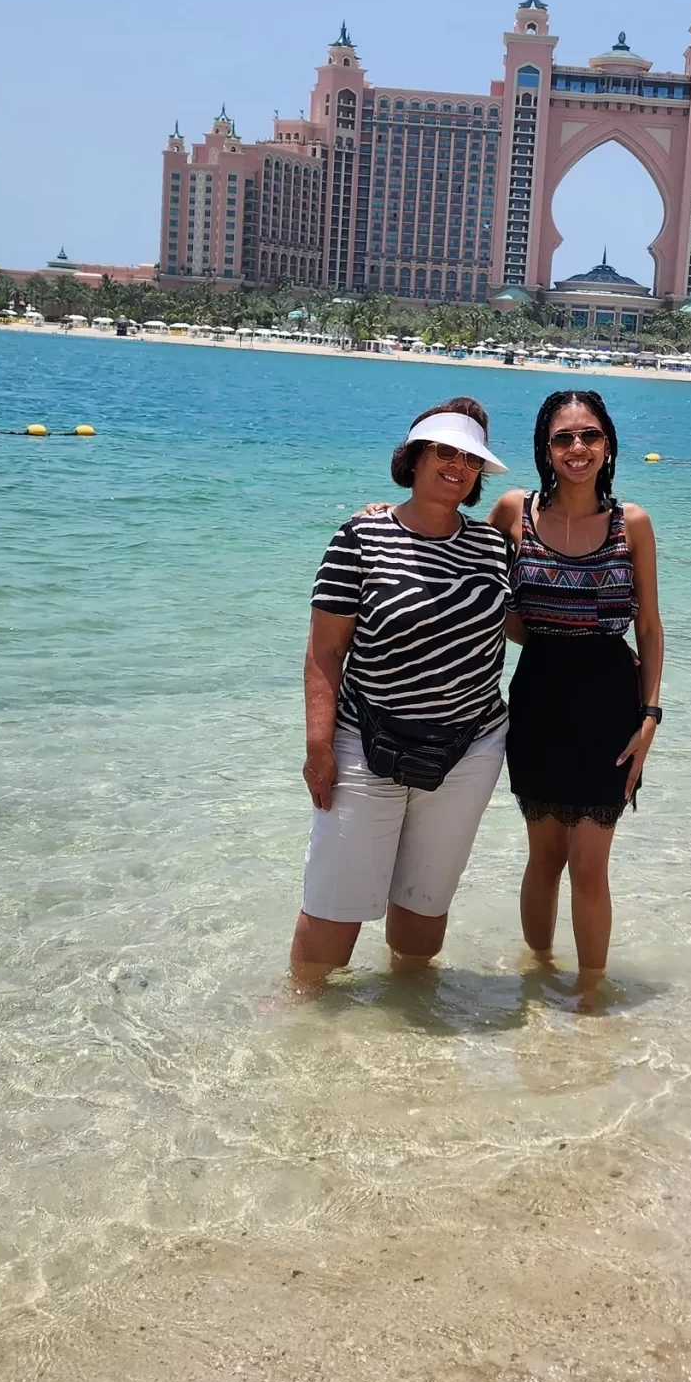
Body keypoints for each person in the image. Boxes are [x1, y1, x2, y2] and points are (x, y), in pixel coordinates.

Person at [289, 398, 511, 990]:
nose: (458, 466)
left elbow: (531, 622)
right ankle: (301, 1015)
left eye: (471, 458)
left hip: (470, 748)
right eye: (445, 452)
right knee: (334, 909)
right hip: (365, 741)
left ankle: (409, 1015)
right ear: (413, 458)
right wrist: (318, 748)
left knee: (423, 909)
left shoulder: (494, 547)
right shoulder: (360, 537)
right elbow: (324, 652)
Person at [489, 390, 663, 979]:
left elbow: (649, 626)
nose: (577, 448)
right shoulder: (514, 511)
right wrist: (391, 512)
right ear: (545, 449)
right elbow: (462, 559)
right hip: (537, 698)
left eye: (589, 435)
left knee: (589, 866)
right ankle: (537, 979)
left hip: (611, 704)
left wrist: (650, 718)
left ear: (608, 444)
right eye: (563, 438)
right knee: (544, 859)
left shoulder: (631, 523)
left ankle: (591, 997)